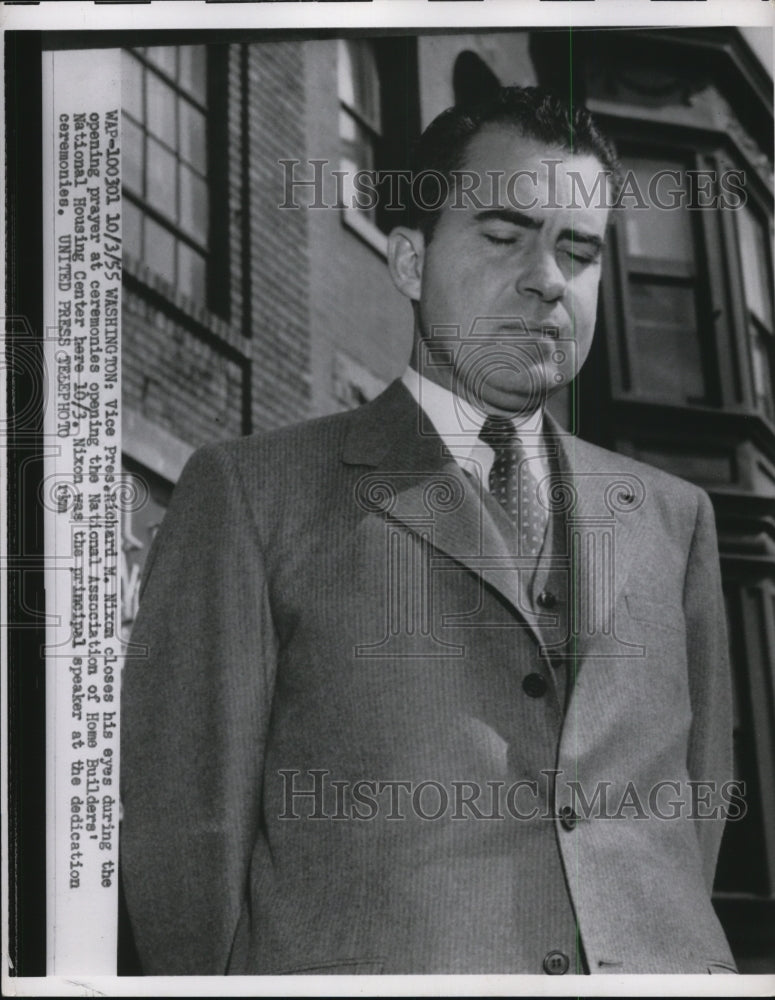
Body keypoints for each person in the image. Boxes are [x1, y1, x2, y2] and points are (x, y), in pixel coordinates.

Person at [120, 87, 738, 976]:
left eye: (578, 250)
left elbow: (692, 818)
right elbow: (188, 832)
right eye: (502, 237)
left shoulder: (675, 518)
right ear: (409, 261)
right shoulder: (252, 495)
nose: (547, 278)